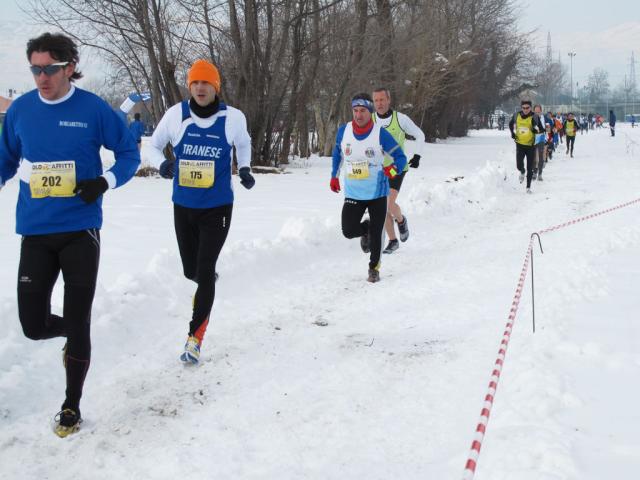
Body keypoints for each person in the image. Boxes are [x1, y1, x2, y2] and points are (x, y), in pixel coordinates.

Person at [0, 33, 140, 437]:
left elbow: (129, 153)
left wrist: (105, 182)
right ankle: (71, 333)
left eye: (50, 68)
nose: (42, 77)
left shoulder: (94, 109)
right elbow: (6, 159)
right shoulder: (22, 110)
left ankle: (71, 405)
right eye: (35, 69)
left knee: (78, 320)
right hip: (36, 231)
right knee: (32, 323)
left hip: (80, 232)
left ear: (69, 67)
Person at [148, 59, 254, 365]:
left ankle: (194, 339)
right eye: (195, 82)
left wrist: (244, 168)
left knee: (204, 269)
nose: (200, 88)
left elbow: (243, 144)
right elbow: (151, 147)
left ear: (215, 86)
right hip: (183, 206)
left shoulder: (232, 118)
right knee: (190, 270)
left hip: (218, 206)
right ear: (189, 86)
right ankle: (206, 280)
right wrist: (162, 164)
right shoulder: (176, 115)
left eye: (206, 83)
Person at [330, 93, 407, 282]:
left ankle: (374, 268)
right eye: (355, 111)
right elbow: (337, 154)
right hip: (354, 192)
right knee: (348, 230)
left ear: (370, 112)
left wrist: (393, 168)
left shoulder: (380, 133)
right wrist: (334, 176)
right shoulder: (344, 130)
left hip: (377, 193)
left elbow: (401, 157)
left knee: (377, 235)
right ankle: (366, 229)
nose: (358, 115)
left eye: (363, 111)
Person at [371, 87, 424, 254]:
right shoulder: (369, 120)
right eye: (376, 100)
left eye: (382, 100)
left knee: (387, 203)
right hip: (378, 170)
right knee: (382, 206)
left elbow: (420, 135)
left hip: (396, 167)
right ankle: (393, 241)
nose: (379, 103)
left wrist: (417, 156)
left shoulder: (400, 119)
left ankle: (401, 221)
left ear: (388, 100)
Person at [509, 100, 543, 193]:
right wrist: (512, 133)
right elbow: (510, 124)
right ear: (521, 108)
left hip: (530, 146)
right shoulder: (517, 115)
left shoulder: (534, 117)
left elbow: (541, 129)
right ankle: (522, 171)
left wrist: (537, 131)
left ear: (530, 108)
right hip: (519, 144)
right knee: (519, 165)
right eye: (523, 108)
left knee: (530, 167)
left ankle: (528, 187)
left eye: (527, 108)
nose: (525, 110)